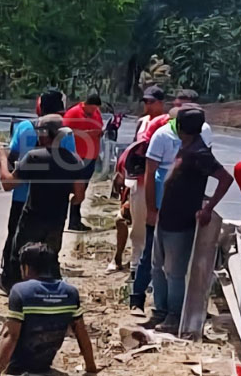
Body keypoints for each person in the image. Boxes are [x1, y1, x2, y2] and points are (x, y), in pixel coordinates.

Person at [141, 106, 233, 333]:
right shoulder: (187, 147)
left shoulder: (199, 152)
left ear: (181, 127)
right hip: (166, 216)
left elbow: (225, 178)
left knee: (174, 271)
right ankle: (159, 312)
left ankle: (174, 316)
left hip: (181, 222)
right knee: (157, 268)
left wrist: (208, 208)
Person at [131, 91, 214, 313]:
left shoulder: (199, 140)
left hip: (184, 210)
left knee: (177, 264)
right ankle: (139, 299)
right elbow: (151, 174)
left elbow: (210, 173)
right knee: (153, 257)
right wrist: (151, 208)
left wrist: (206, 205)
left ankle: (175, 311)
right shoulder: (163, 135)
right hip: (160, 207)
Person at [0, 115, 86, 287]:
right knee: (49, 257)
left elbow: (8, 184)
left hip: (32, 219)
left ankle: (16, 289)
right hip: (57, 221)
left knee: (21, 257)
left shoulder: (34, 157)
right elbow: (79, 197)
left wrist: (2, 159)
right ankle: (48, 292)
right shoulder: (74, 160)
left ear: (44, 134)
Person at [0, 243, 98, 375]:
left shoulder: (20, 291)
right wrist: (91, 369)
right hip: (43, 363)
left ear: (26, 267)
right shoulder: (70, 292)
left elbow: (10, 336)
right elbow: (81, 333)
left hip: (16, 365)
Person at [110, 86, 167, 276]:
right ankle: (136, 263)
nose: (148, 105)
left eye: (152, 102)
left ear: (161, 103)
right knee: (136, 224)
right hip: (137, 181)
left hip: (156, 181)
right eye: (145, 101)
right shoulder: (142, 122)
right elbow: (133, 149)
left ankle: (148, 265)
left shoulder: (166, 123)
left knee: (152, 224)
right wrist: (121, 174)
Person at [63, 92, 104, 232]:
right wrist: (86, 134)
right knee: (71, 189)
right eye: (92, 108)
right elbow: (64, 133)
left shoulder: (97, 114)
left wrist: (99, 133)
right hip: (76, 157)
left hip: (90, 157)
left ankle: (75, 220)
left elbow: (99, 127)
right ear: (85, 104)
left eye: (96, 109)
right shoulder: (73, 113)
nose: (94, 111)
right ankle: (65, 220)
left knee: (82, 190)